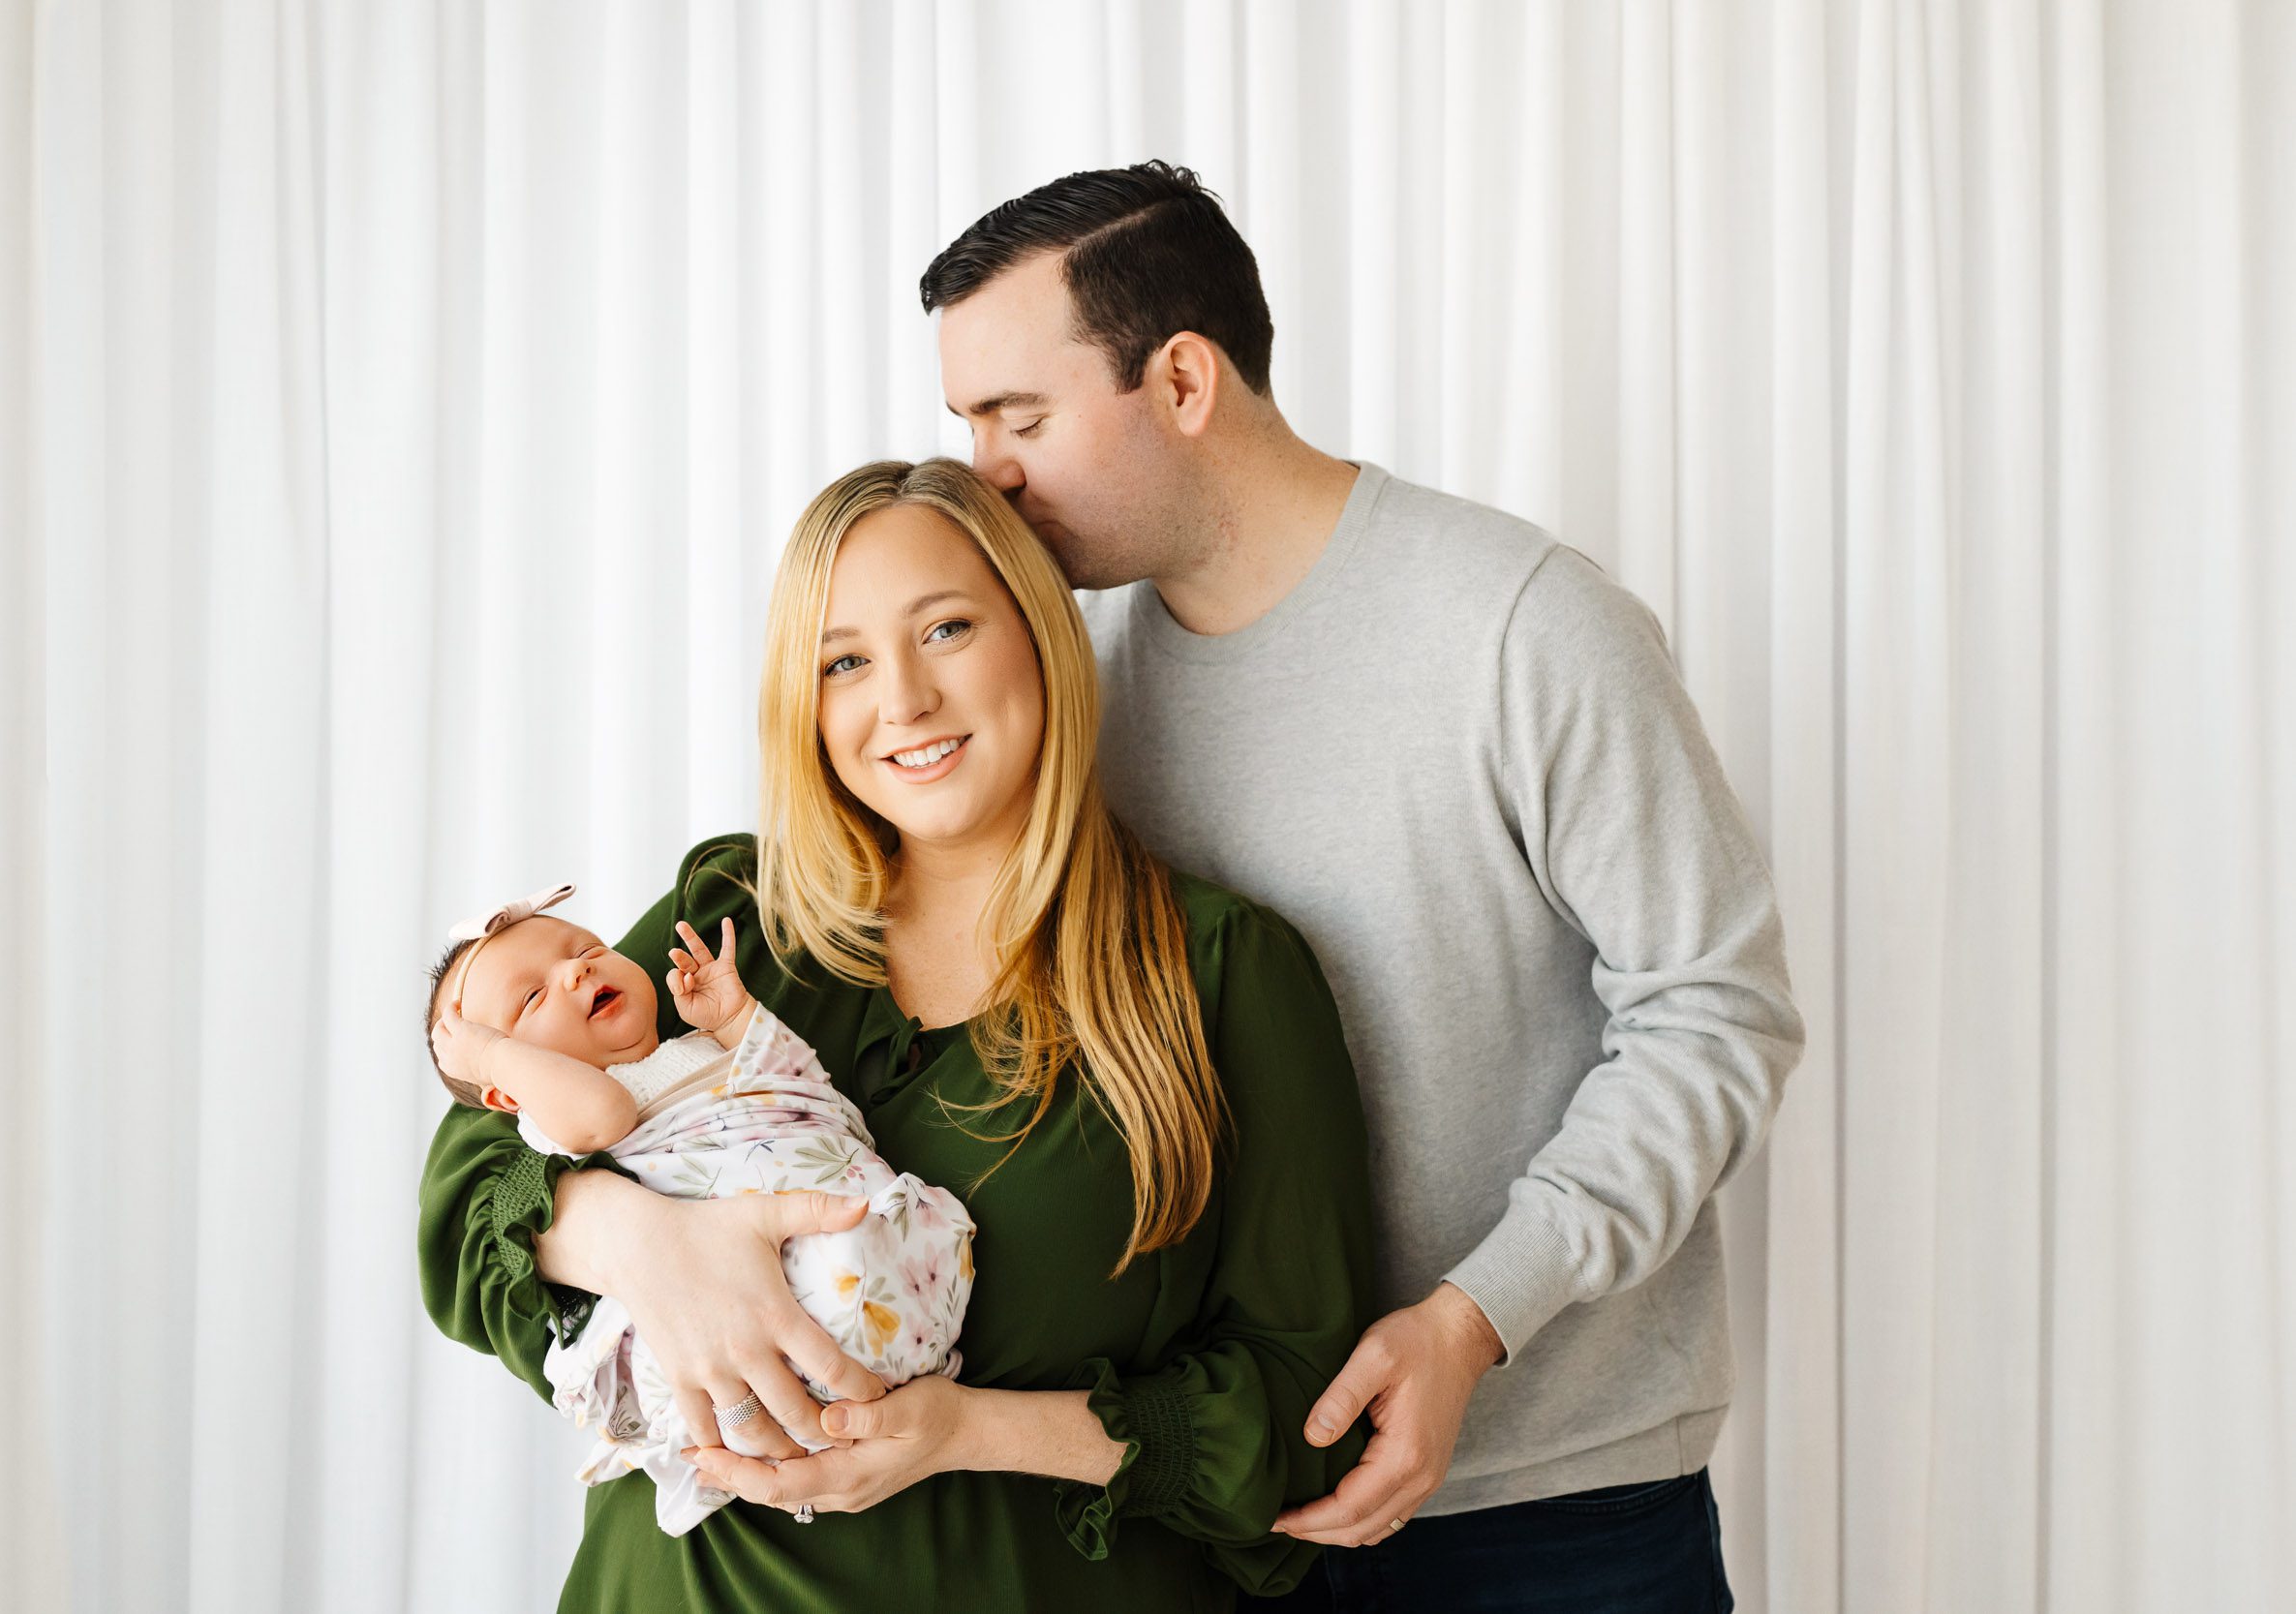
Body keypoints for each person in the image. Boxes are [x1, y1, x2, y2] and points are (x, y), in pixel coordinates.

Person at [922, 161, 1806, 1611]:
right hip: (1213, 1505)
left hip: (1553, 1503)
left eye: (1019, 417)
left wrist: (1473, 1320)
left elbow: (1717, 1015)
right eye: (968, 426)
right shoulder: (1066, 695)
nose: (986, 471)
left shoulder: (1523, 624)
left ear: (1187, 380)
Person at [416, 457, 1378, 1611]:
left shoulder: (1220, 976)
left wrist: (970, 1429)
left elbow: (1304, 1417)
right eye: (846, 661)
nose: (904, 700)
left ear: (1039, 632)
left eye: (948, 628)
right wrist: (640, 1245)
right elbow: (477, 1158)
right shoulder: (738, 918)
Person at [423, 894, 974, 1536]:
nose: (576, 971)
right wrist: (489, 1056)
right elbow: (606, 1117)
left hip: (879, 1259)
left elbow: (795, 1080)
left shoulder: (695, 1045)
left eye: (585, 949)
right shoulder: (558, 1116)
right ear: (508, 1093)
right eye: (531, 999)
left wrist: (737, 1018)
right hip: (777, 1306)